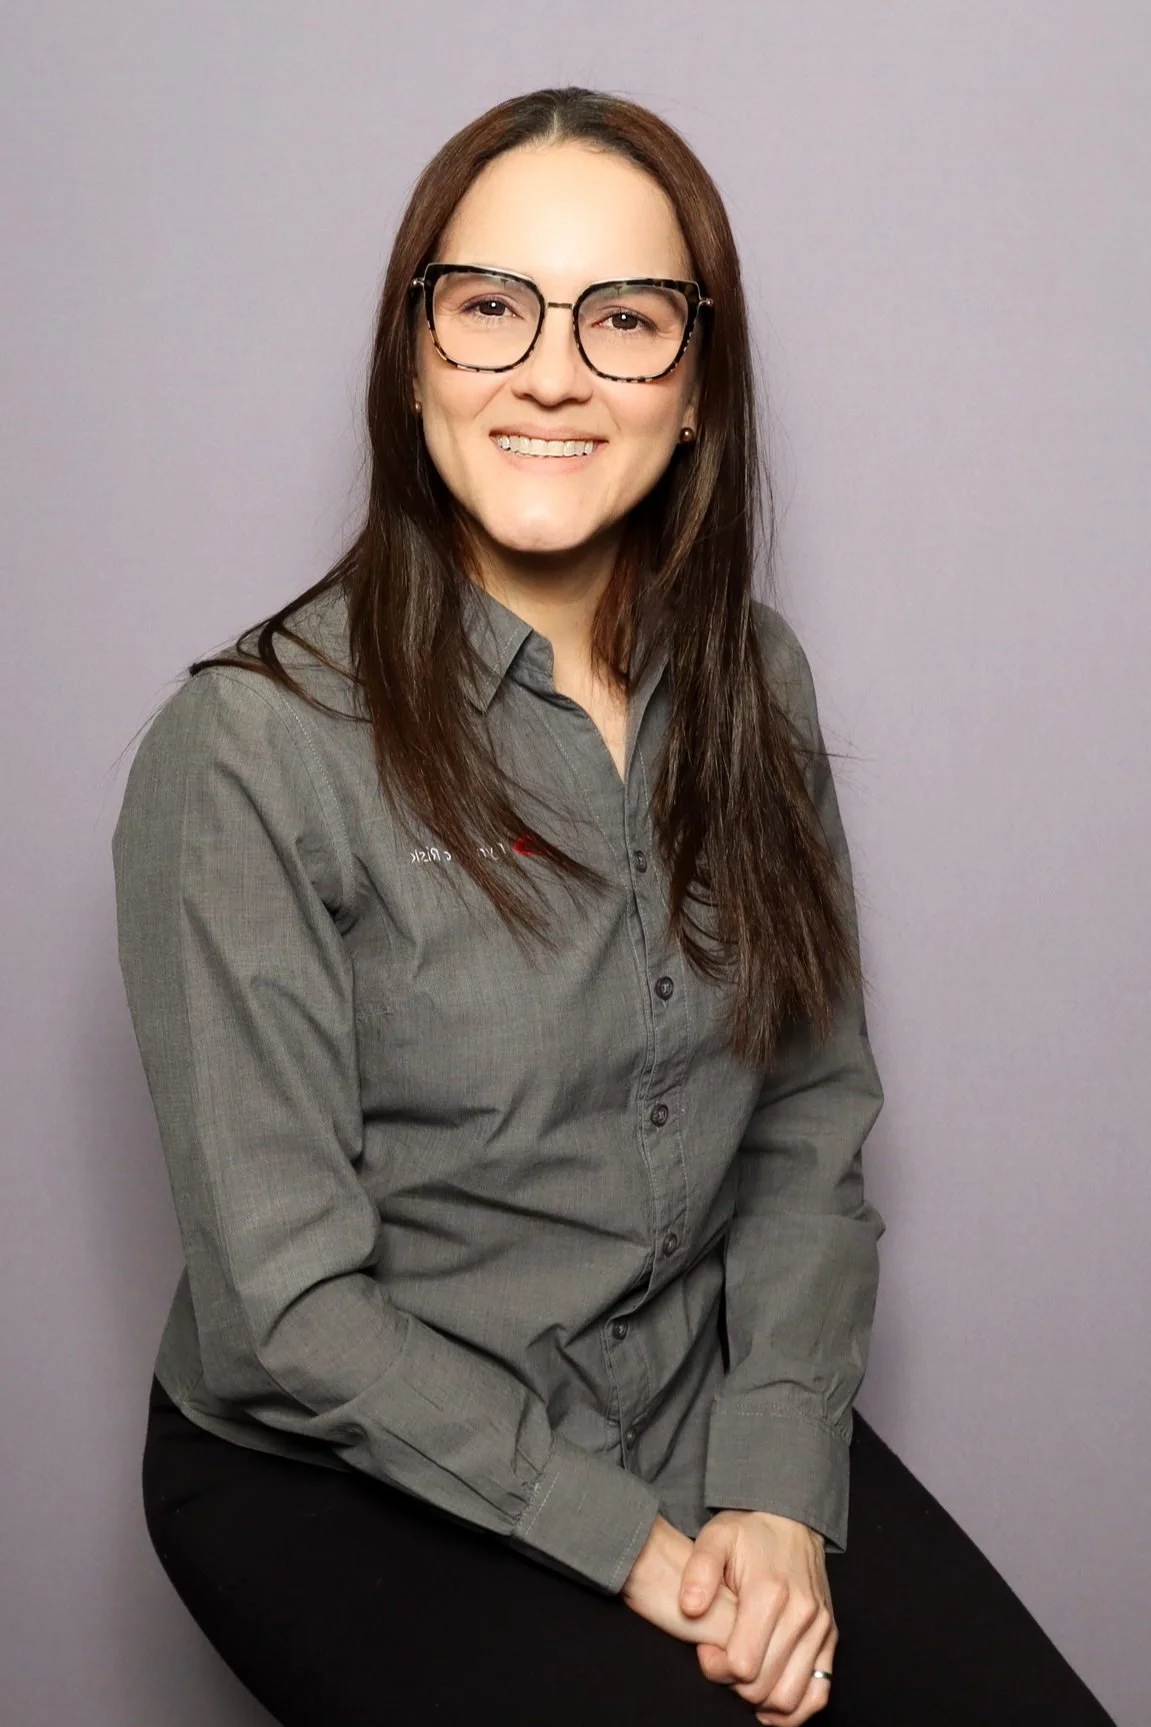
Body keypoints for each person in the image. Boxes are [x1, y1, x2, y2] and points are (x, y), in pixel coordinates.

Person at [112, 85, 1116, 1727]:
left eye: (625, 317)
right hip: (349, 1469)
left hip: (687, 1400)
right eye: (491, 306)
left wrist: (778, 1490)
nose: (552, 369)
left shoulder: (751, 685)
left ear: (695, 385)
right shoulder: (247, 749)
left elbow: (805, 1122)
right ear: (414, 351)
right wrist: (642, 1547)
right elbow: (287, 1308)